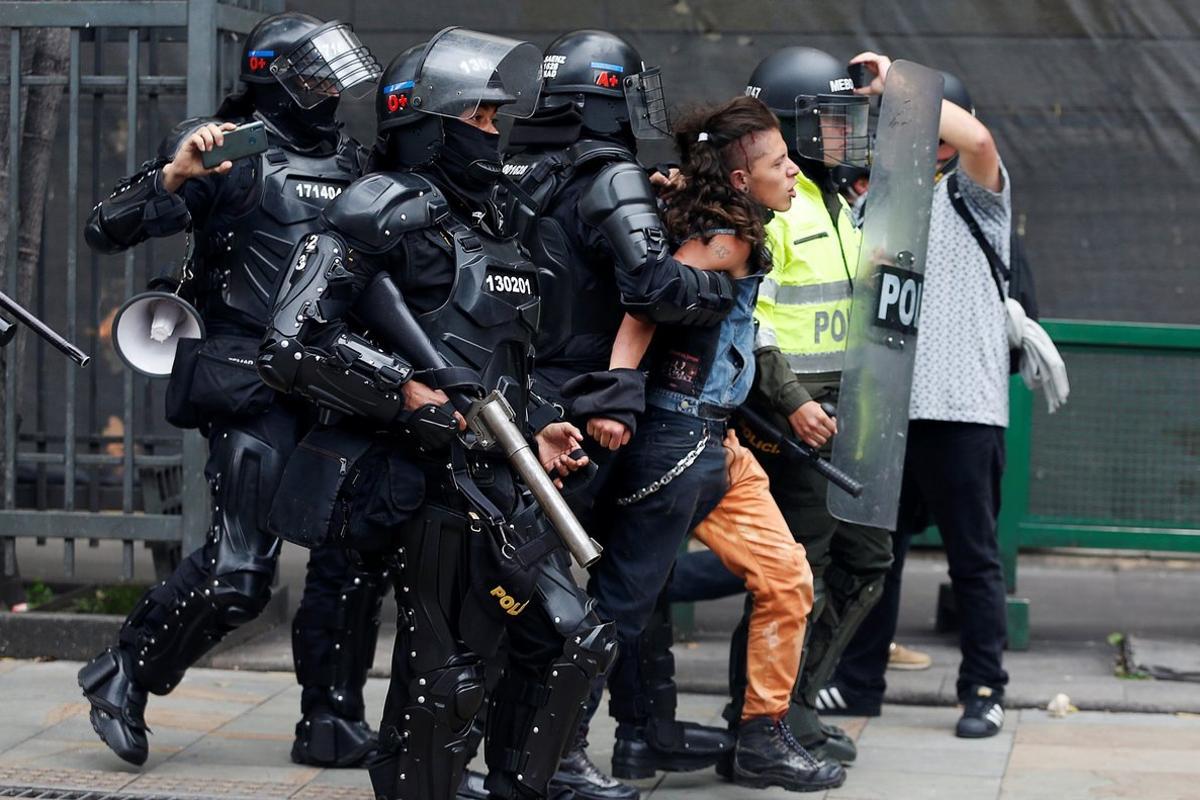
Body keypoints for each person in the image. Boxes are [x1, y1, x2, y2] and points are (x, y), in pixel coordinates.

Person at [257, 31, 615, 800]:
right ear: (432, 123)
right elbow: (292, 342)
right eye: (482, 120)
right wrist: (406, 393)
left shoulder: (492, 226)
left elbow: (500, 357)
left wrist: (540, 421)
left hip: (496, 472)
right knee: (447, 683)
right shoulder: (380, 209)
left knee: (570, 642)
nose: (497, 133)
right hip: (417, 481)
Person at [77, 12, 385, 768]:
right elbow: (103, 228)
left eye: (330, 78)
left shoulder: (351, 159)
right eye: (312, 78)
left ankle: (331, 720)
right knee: (240, 574)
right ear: (273, 80)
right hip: (250, 380)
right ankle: (124, 671)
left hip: (337, 385)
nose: (328, 93)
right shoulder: (228, 150)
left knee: (348, 567)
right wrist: (174, 175)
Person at [500, 30, 738, 800]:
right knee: (579, 598)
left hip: (520, 399)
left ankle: (512, 761)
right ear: (610, 96)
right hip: (586, 409)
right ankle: (552, 762)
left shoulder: (518, 171)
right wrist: (716, 286)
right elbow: (653, 289)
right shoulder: (611, 176)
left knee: (518, 585)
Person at [596, 94, 845, 794]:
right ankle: (564, 746)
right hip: (677, 436)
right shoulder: (723, 239)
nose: (795, 171)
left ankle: (762, 737)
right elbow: (648, 305)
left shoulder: (736, 224)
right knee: (625, 599)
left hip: (718, 441)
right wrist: (618, 389)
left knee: (788, 580)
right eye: (778, 163)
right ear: (740, 179)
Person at [819, 60, 1011, 738]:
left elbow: (981, 143)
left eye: (923, 127)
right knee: (877, 552)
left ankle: (984, 688)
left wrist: (899, 79)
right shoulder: (879, 199)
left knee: (974, 556)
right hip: (887, 409)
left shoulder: (978, 193)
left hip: (962, 408)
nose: (910, 138)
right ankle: (858, 682)